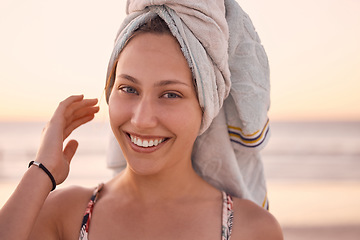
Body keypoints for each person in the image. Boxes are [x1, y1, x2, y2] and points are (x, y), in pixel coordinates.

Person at [0, 1, 283, 239]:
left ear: (205, 107)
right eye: (129, 89)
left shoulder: (251, 229)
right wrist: (41, 172)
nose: (142, 119)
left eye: (170, 94)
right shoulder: (64, 214)